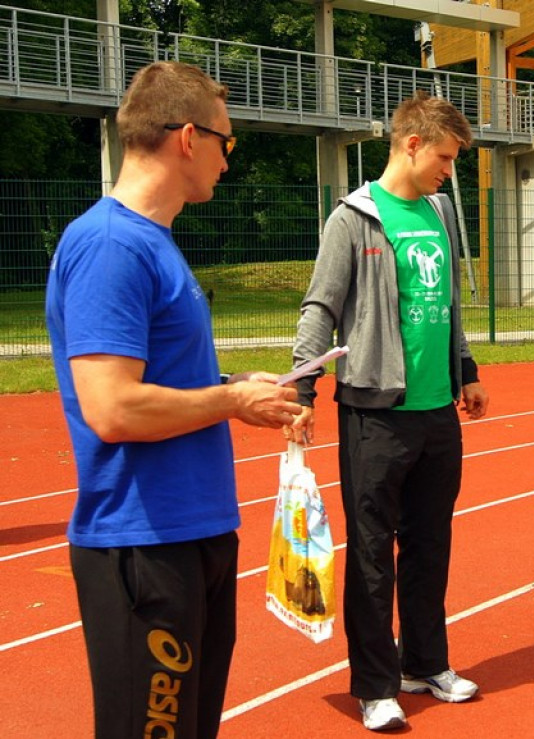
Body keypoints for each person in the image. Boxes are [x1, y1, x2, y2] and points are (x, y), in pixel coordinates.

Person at [45, 61, 301, 739]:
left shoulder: (153, 244)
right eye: (228, 140)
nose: (228, 159)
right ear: (189, 138)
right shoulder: (110, 247)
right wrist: (230, 402)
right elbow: (113, 407)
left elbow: (168, 380)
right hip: (142, 543)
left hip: (192, 534)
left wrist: (241, 388)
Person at [286, 91, 488, 732]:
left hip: (437, 414)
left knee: (431, 548)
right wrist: (302, 391)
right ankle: (374, 685)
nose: (449, 172)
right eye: (447, 158)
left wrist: (468, 371)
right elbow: (321, 306)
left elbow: (448, 304)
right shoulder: (353, 218)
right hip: (374, 413)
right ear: (412, 144)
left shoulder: (438, 212)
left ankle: (425, 662)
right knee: (373, 557)